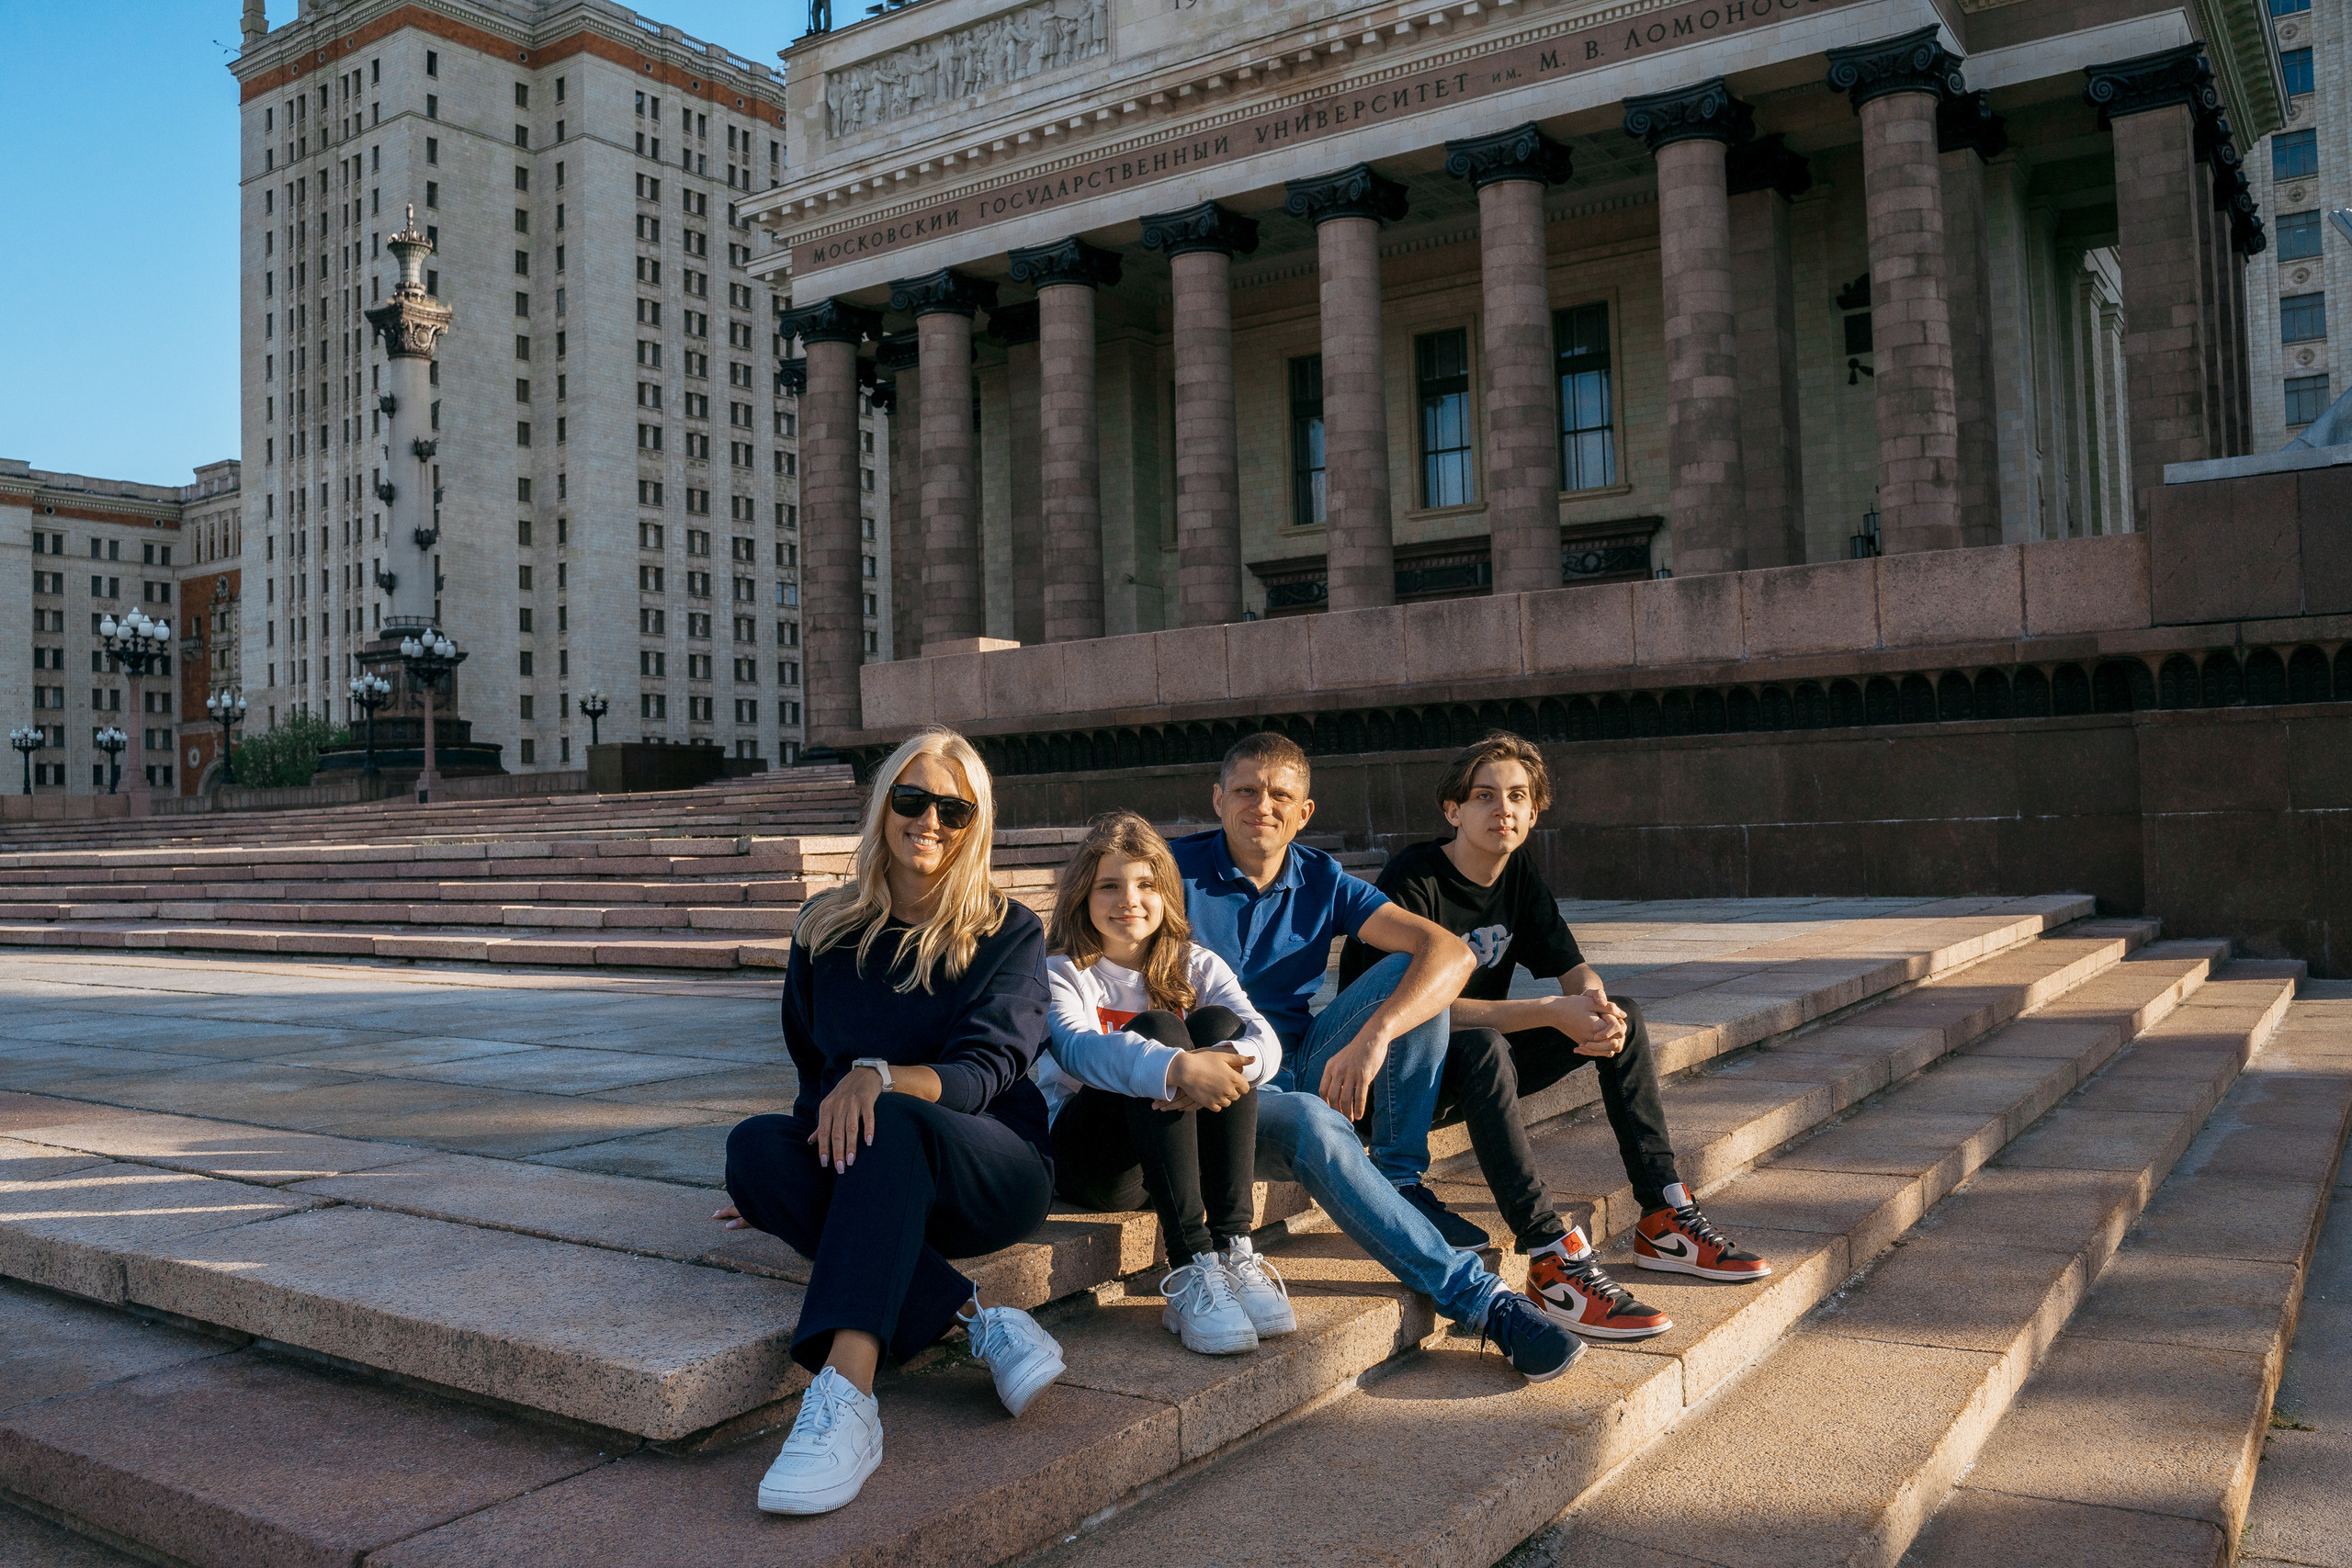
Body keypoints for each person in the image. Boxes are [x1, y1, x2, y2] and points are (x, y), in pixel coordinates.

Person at [717, 728, 1066, 1517]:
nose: (930, 820)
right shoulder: (825, 929)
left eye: (954, 807)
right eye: (912, 798)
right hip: (878, 1161)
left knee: (895, 1115)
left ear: (976, 822)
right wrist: (788, 1181)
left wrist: (878, 1077)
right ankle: (970, 1313)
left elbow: (985, 1072)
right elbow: (815, 1078)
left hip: (991, 1165)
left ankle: (848, 1394)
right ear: (883, 808)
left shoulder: (1008, 930)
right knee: (752, 1152)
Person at [1169, 731, 1583, 1382]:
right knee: (1311, 1119)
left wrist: (1375, 1035)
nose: (1262, 806)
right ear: (1219, 799)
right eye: (1246, 790)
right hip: (1217, 1084)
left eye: (1281, 794)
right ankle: (1483, 1303)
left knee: (1410, 969)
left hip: (1301, 1059)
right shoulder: (1171, 872)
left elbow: (1452, 953)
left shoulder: (1319, 876)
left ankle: (1398, 1175)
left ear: (1304, 812)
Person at [1340, 731, 1772, 1344]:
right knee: (1485, 1042)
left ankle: (1664, 1212)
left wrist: (1594, 1008)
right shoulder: (1416, 876)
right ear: (1453, 809)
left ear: (1535, 812)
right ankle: (1549, 1253)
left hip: (1468, 1070)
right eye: (1485, 796)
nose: (1503, 809)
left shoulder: (1517, 876)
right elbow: (1410, 1011)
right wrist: (1550, 1009)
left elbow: (1574, 967)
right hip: (1390, 1081)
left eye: (1518, 796)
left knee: (1623, 1014)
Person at [1041, 810, 1295, 1355]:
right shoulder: (1062, 972)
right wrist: (1175, 1068)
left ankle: (1233, 1248)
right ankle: (1190, 1269)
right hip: (1093, 1161)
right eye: (1109, 886)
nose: (1129, 900)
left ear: (1167, 896)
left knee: (1224, 1030)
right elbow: (1077, 1050)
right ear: (1083, 896)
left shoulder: (1196, 965)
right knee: (1158, 1029)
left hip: (1174, 1156)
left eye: (1146, 884)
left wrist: (1221, 1058)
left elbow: (1266, 1042)